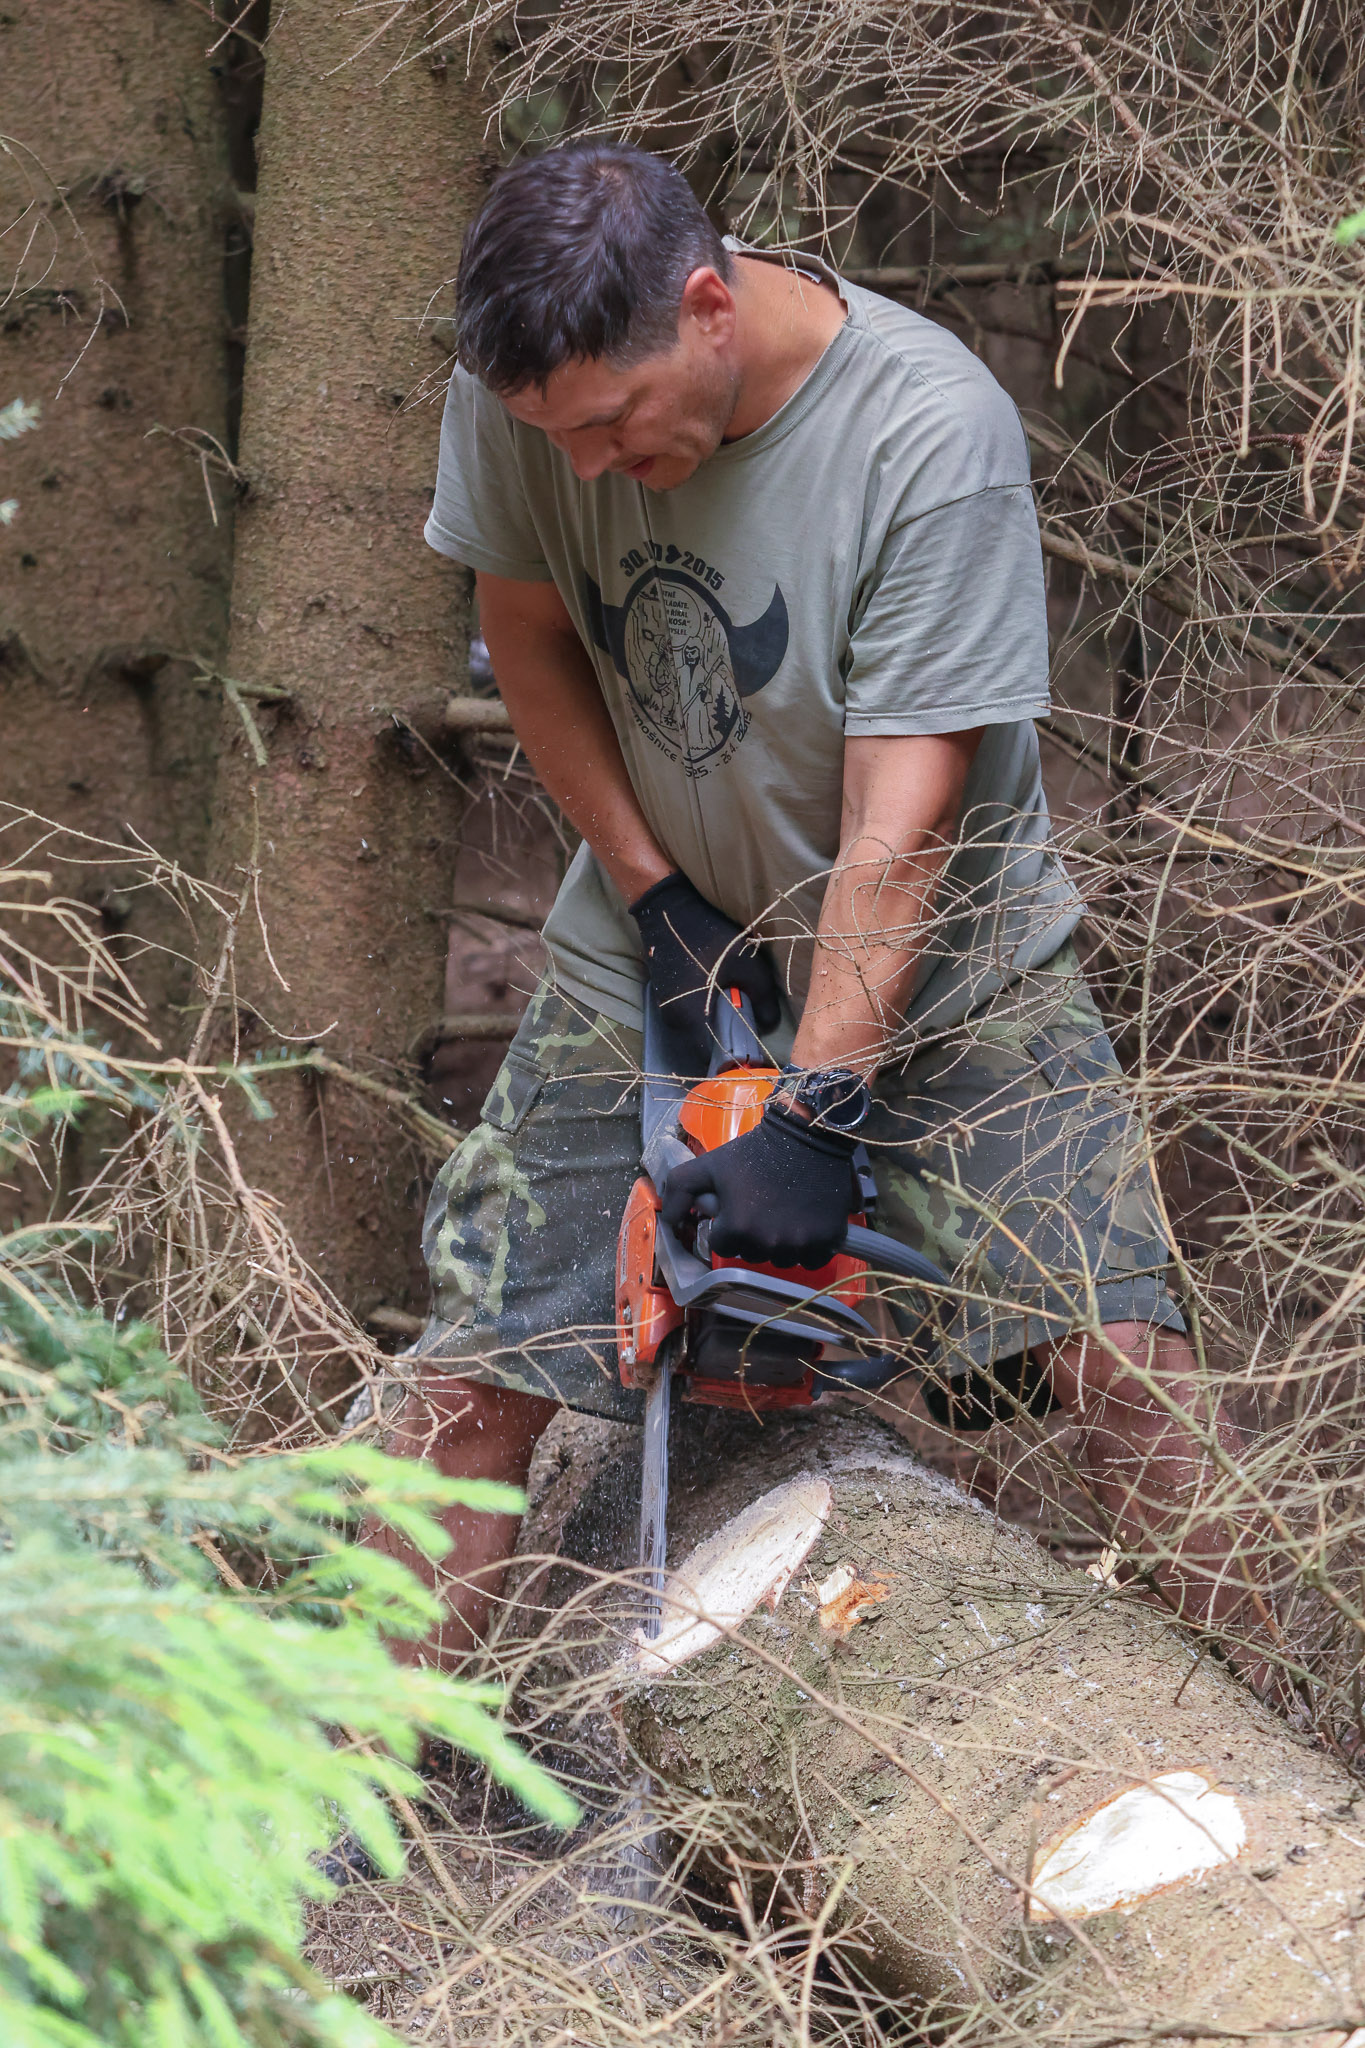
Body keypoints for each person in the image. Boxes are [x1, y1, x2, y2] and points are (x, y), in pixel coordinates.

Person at [374, 141, 1270, 1693]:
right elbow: (525, 634)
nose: (582, 470)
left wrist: (815, 1107)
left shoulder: (924, 435)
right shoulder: (525, 390)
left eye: (611, 425)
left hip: (953, 967)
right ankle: (342, 1789)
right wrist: (652, 896)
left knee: (1122, 1363)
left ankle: (1288, 1774)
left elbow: (896, 831)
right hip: (654, 945)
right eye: (549, 436)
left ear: (708, 307)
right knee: (473, 1376)